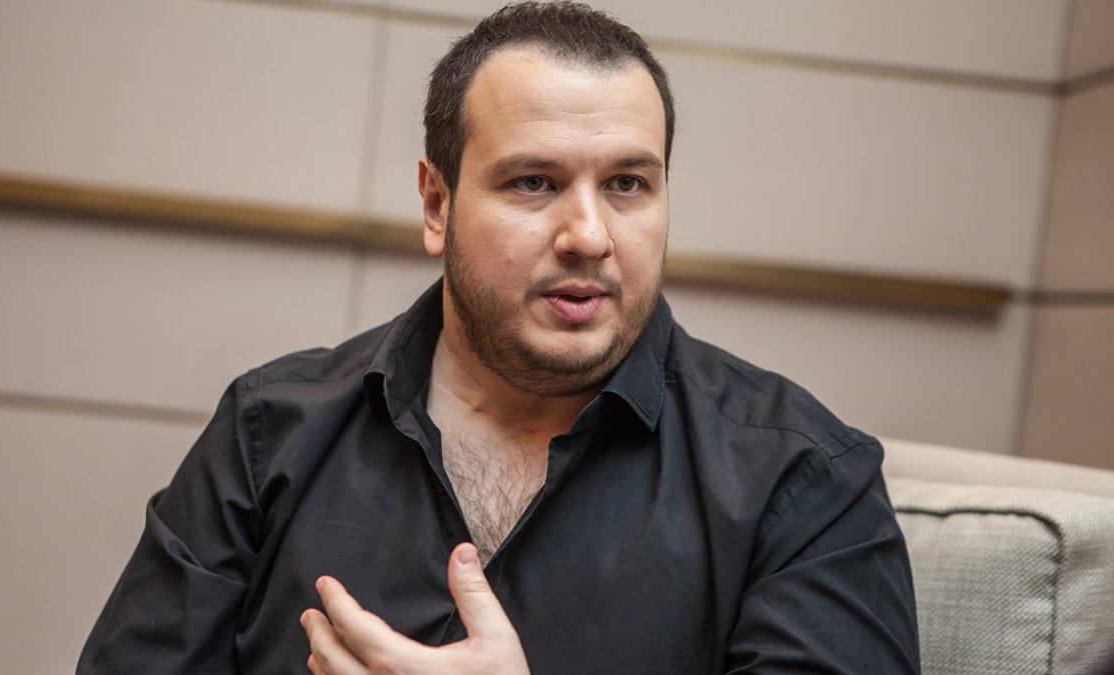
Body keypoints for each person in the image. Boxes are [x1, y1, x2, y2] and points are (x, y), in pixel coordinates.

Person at [78, 2, 920, 673]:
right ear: (436, 204)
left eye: (629, 183)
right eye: (533, 181)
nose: (588, 235)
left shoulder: (805, 482)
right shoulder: (268, 433)